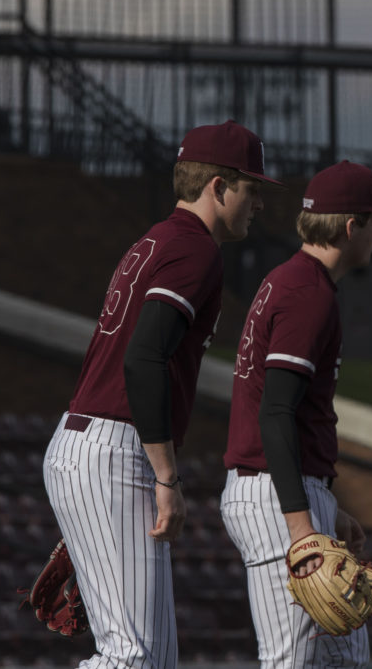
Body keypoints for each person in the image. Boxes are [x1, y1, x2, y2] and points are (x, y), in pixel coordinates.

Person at [42, 120, 283, 668]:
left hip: (90, 443)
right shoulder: (196, 250)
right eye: (253, 189)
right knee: (132, 657)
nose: (260, 204)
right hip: (112, 447)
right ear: (219, 188)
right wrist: (168, 477)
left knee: (157, 661)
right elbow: (145, 358)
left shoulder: (158, 239)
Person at [220, 160, 372, 668]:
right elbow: (277, 412)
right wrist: (303, 526)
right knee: (292, 662)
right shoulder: (307, 293)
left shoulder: (296, 281)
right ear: (352, 227)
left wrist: (326, 508)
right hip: (275, 497)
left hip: (289, 490)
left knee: (346, 657)